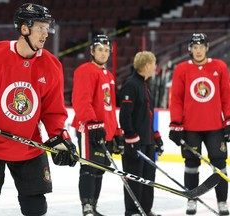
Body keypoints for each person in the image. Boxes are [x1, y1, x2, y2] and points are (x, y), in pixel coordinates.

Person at [0, 3, 78, 216]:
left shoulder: (52, 65)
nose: (45, 34)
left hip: (29, 145)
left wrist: (60, 137)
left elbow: (53, 111)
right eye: (40, 28)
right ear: (24, 29)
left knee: (36, 207)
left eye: (47, 28)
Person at [169, 33, 230, 215]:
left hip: (215, 127)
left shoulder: (219, 66)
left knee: (220, 164)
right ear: (190, 49)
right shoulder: (181, 69)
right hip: (190, 128)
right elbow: (177, 99)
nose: (198, 50)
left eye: (201, 47)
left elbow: (226, 96)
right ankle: (192, 199)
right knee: (191, 164)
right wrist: (175, 124)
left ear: (207, 48)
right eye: (195, 47)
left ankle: (222, 202)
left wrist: (228, 120)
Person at [71, 34, 125, 216]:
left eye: (106, 50)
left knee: (100, 170)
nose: (103, 53)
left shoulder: (108, 75)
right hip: (89, 128)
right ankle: (86, 207)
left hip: (105, 129)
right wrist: (92, 122)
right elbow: (81, 100)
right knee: (88, 167)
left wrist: (116, 131)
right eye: (100, 50)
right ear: (92, 51)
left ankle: (93, 207)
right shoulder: (85, 70)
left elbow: (109, 107)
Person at [119, 51, 164, 216]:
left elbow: (147, 115)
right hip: (135, 143)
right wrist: (130, 135)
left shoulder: (145, 85)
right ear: (146, 65)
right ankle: (132, 211)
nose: (155, 68)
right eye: (153, 64)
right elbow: (125, 114)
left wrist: (155, 135)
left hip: (147, 141)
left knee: (148, 178)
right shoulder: (131, 84)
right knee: (134, 178)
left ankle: (145, 210)